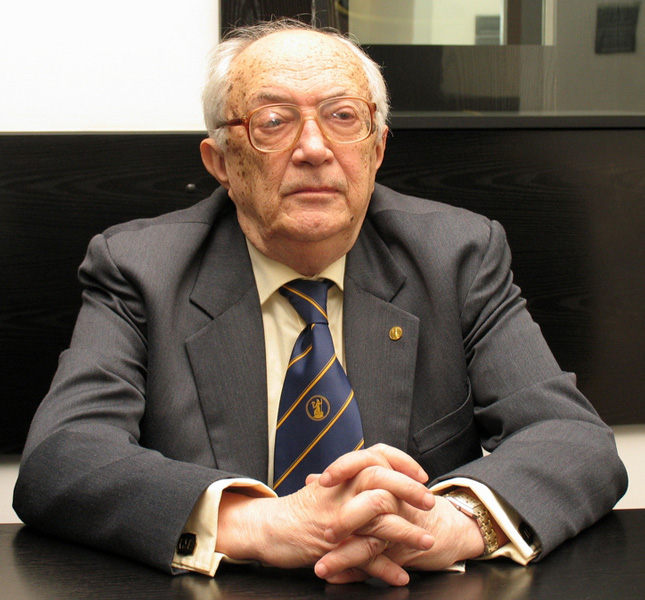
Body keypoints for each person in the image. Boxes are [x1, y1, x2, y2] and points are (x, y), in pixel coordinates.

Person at [14, 19, 627, 587]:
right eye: (273, 121)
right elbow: (61, 456)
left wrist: (452, 523)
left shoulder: (457, 255)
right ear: (221, 162)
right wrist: (261, 525)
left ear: (376, 150)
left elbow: (570, 438)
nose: (313, 147)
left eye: (342, 117)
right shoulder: (141, 268)